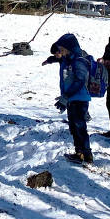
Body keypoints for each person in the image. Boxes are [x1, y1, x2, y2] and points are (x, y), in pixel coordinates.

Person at [44, 33, 93, 164]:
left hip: (80, 98)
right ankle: (79, 153)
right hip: (71, 98)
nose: (59, 51)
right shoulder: (67, 58)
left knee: (80, 126)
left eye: (60, 49)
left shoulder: (79, 60)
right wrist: (50, 60)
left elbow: (80, 80)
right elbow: (58, 59)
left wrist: (66, 96)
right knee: (73, 126)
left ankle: (87, 154)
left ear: (68, 47)